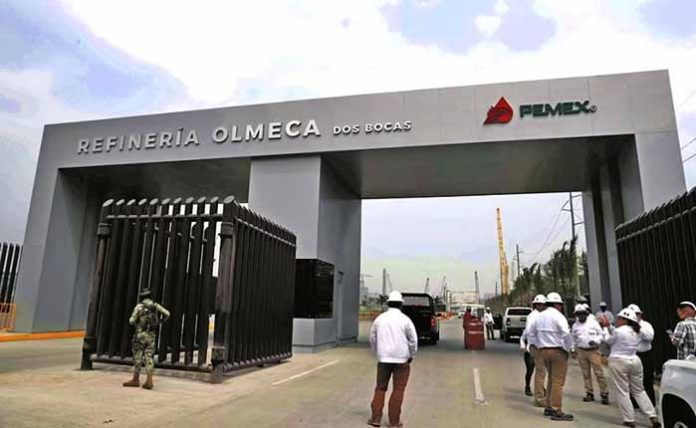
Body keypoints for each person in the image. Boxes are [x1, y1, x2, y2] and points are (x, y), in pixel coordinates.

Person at [599, 308, 661, 428]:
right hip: (634, 360)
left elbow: (608, 340)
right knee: (639, 390)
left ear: (624, 319)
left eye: (619, 318)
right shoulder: (638, 330)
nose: (617, 320)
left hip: (618, 361)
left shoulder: (619, 331)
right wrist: (609, 327)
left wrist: (605, 329)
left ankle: (629, 419)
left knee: (623, 391)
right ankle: (652, 415)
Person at [368, 291, 418, 428]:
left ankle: (375, 419)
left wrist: (378, 352)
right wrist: (411, 355)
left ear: (388, 303)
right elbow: (413, 340)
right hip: (402, 360)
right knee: (398, 389)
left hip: (384, 360)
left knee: (380, 388)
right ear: (401, 305)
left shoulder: (380, 319)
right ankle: (394, 422)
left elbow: (372, 338)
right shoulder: (405, 320)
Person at [526, 292, 574, 421]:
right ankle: (556, 409)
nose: (561, 307)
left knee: (551, 380)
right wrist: (569, 348)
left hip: (543, 351)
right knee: (558, 381)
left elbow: (530, 333)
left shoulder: (539, 317)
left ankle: (548, 406)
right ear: (556, 304)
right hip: (557, 351)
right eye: (560, 304)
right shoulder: (558, 316)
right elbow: (566, 334)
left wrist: (537, 344)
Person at [123, 289, 170, 390]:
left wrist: (137, 325)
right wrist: (160, 322)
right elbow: (167, 314)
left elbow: (131, 320)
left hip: (140, 334)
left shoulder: (139, 307)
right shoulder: (155, 306)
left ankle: (136, 379)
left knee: (138, 355)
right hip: (151, 334)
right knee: (149, 356)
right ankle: (149, 380)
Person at [571, 304, 609, 404]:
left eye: (582, 313)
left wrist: (595, 341)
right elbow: (573, 339)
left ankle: (604, 393)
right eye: (579, 314)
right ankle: (589, 392)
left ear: (586, 314)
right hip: (581, 350)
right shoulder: (575, 326)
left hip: (593, 351)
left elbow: (601, 335)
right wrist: (573, 349)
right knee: (585, 373)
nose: (581, 316)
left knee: (599, 373)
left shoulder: (593, 323)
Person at [520, 294, 547, 403]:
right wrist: (524, 345)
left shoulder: (546, 315)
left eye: (543, 304)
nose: (541, 306)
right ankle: (528, 386)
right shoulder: (532, 316)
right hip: (532, 346)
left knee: (541, 370)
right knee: (531, 369)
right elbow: (527, 332)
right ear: (535, 305)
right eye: (538, 304)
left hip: (542, 346)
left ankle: (541, 388)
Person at [627, 304, 656, 405]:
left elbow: (650, 337)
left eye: (636, 314)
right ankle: (635, 402)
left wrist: (639, 330)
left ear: (640, 314)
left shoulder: (646, 325)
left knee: (647, 379)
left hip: (645, 355)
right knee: (632, 379)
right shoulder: (626, 327)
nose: (634, 316)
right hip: (631, 355)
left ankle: (650, 402)